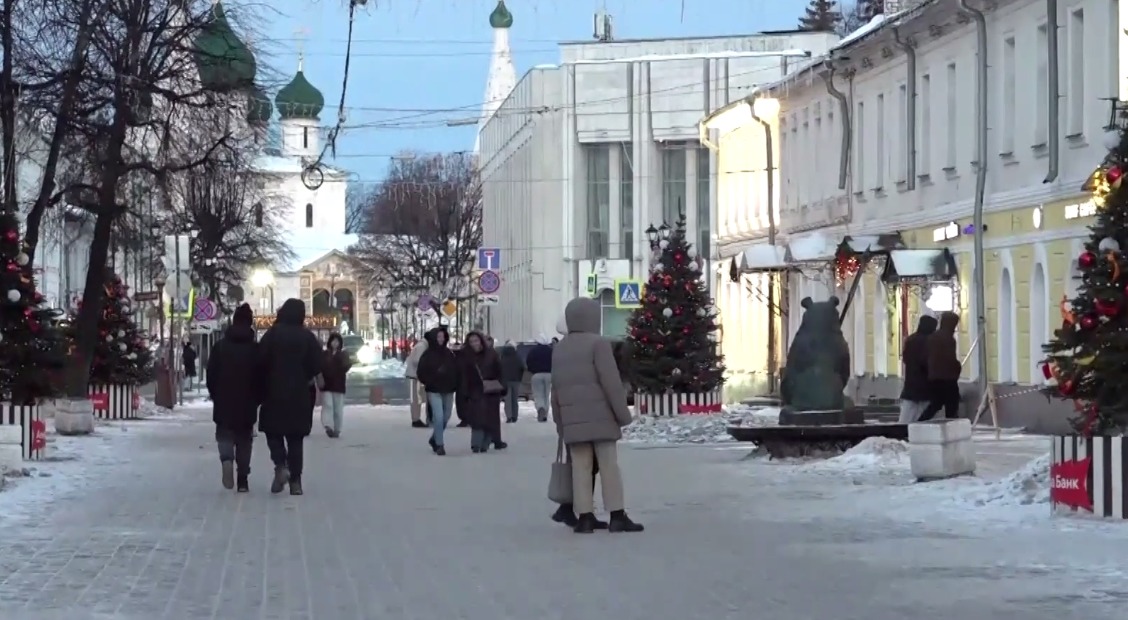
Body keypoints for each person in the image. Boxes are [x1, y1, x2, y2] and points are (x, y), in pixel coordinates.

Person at [552, 297, 643, 533]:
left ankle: (585, 517)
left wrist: (560, 422)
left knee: (580, 468)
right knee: (608, 466)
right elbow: (611, 383)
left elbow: (556, 389)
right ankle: (617, 515)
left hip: (573, 421)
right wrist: (623, 415)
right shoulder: (598, 344)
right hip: (601, 418)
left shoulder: (560, 348)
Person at [257, 299, 324, 495]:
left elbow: (260, 361)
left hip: (273, 392)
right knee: (296, 439)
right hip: (299, 394)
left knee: (273, 432)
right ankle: (296, 482)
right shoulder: (307, 337)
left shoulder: (272, 335)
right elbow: (316, 364)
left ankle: (280, 465)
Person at [206, 303, 259, 493]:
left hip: (224, 400)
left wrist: (215, 394)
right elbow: (261, 376)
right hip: (247, 401)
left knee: (224, 434)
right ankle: (243, 480)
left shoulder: (220, 347)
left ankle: (227, 460)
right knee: (245, 440)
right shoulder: (255, 349)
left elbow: (211, 373)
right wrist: (258, 397)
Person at [459, 331, 506, 452]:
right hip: (475, 390)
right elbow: (464, 375)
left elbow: (500, 371)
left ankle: (485, 443)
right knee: (477, 418)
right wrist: (464, 392)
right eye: (471, 342)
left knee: (490, 418)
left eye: (476, 340)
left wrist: (502, 386)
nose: (474, 344)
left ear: (481, 341)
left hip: (491, 390)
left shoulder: (491, 354)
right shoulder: (466, 356)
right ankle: (476, 444)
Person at [415, 326, 459, 455]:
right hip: (434, 390)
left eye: (443, 337)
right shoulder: (427, 355)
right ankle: (440, 444)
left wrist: (455, 381)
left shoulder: (450, 354)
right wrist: (431, 380)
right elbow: (421, 372)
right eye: (438, 337)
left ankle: (434, 438)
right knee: (438, 417)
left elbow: (456, 370)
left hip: (449, 389)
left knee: (446, 416)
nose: (441, 339)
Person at [919, 311, 962, 422]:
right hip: (947, 378)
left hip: (934, 377)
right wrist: (957, 368)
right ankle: (950, 425)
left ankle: (921, 421)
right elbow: (949, 359)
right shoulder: (948, 339)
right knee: (951, 404)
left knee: (936, 403)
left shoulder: (933, 337)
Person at [898, 315, 938, 424]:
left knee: (907, 413)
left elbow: (905, 359)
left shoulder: (910, 340)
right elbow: (929, 362)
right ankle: (919, 434)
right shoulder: (930, 341)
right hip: (926, 383)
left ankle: (901, 432)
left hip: (911, 382)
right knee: (923, 416)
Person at [321, 332, 353, 438]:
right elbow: (320, 366)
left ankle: (337, 429)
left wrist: (347, 362)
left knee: (338, 408)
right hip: (327, 384)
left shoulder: (342, 354)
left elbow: (346, 367)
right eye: (333, 341)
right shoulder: (325, 354)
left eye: (337, 341)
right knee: (328, 405)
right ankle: (328, 425)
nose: (335, 343)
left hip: (338, 384)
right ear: (330, 342)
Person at [526, 335, 553, 422]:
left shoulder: (533, 351)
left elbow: (528, 361)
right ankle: (545, 412)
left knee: (538, 394)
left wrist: (531, 370)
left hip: (536, 374)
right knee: (546, 394)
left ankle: (541, 408)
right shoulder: (551, 351)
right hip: (549, 374)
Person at [405, 335, 430, 428]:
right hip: (415, 376)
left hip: (416, 375)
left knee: (417, 398)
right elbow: (417, 361)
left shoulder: (422, 345)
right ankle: (415, 419)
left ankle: (416, 418)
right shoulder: (422, 346)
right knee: (416, 399)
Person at [497, 341, 525, 423]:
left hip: (505, 380)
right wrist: (520, 377)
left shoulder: (503, 357)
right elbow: (522, 367)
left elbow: (499, 368)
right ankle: (514, 416)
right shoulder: (517, 357)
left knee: (508, 400)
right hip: (516, 380)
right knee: (515, 399)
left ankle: (509, 416)